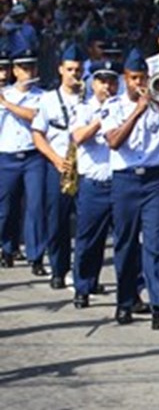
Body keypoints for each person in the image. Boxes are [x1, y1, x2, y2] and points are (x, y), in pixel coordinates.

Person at [101, 49, 159, 328]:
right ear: (125, 78)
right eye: (134, 78)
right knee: (125, 244)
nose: (139, 83)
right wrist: (137, 112)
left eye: (143, 78)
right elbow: (114, 142)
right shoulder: (113, 106)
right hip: (125, 180)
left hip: (154, 181)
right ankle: (125, 301)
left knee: (156, 245)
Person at [70, 61, 125, 308]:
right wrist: (100, 119)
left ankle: (131, 291)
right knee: (89, 240)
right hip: (93, 183)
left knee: (127, 240)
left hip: (120, 182)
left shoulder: (124, 107)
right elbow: (79, 137)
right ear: (94, 84)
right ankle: (83, 286)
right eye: (103, 81)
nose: (108, 87)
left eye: (112, 81)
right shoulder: (83, 108)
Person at [31, 44, 85, 289]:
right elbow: (38, 134)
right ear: (61, 69)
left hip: (86, 168)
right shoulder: (48, 100)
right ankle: (58, 268)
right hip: (59, 167)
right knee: (57, 222)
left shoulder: (90, 98)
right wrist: (54, 158)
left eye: (78, 69)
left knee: (87, 225)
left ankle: (84, 273)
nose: (75, 73)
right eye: (70, 69)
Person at [0, 47, 45, 273]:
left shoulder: (42, 96)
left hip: (32, 157)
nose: (28, 72)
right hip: (6, 157)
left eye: (31, 68)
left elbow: (34, 116)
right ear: (15, 71)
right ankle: (7, 248)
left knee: (35, 205)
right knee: (7, 208)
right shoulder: (5, 92)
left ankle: (35, 256)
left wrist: (7, 105)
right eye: (24, 68)